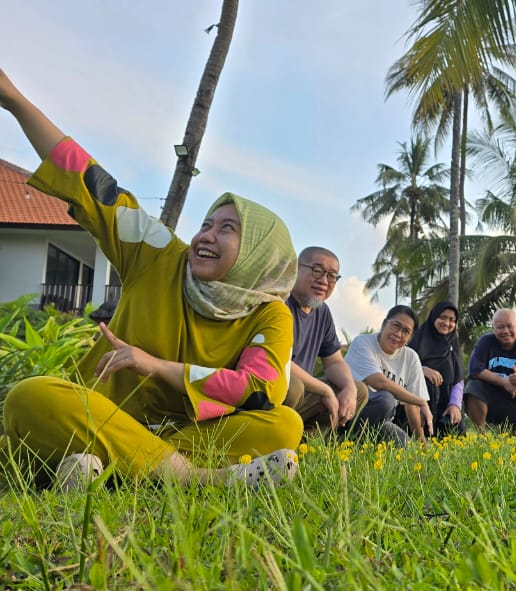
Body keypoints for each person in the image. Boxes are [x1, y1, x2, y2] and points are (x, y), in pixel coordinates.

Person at [0, 68, 300, 489]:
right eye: (206, 224)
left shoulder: (269, 314)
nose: (206, 236)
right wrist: (14, 99)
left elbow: (259, 390)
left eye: (227, 229)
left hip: (180, 436)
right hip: (99, 414)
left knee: (283, 423)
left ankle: (112, 470)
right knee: (30, 397)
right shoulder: (158, 255)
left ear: (258, 254)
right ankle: (193, 479)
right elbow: (89, 181)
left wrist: (158, 367)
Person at [283, 246, 374, 434]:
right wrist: (325, 390)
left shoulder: (322, 312)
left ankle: (304, 447)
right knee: (293, 386)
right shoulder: (280, 303)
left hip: (304, 393)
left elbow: (333, 361)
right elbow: (281, 362)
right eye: (317, 271)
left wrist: (349, 387)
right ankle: (272, 443)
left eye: (332, 276)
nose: (324, 281)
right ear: (296, 269)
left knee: (359, 389)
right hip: (274, 389)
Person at [345, 306, 434, 444]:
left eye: (406, 331)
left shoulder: (411, 357)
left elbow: (411, 405)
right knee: (386, 399)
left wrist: (421, 440)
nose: (398, 334)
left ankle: (364, 443)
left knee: (405, 445)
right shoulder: (362, 343)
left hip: (380, 421)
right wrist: (421, 401)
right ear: (384, 324)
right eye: (396, 326)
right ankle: (347, 441)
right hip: (348, 413)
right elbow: (379, 382)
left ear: (410, 337)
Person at [408, 302, 466, 437]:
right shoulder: (419, 340)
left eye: (452, 320)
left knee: (458, 427)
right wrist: (422, 369)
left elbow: (458, 379)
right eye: (443, 317)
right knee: (429, 384)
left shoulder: (453, 345)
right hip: (416, 407)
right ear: (434, 317)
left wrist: (455, 405)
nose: (447, 323)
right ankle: (423, 434)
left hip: (444, 408)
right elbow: (404, 367)